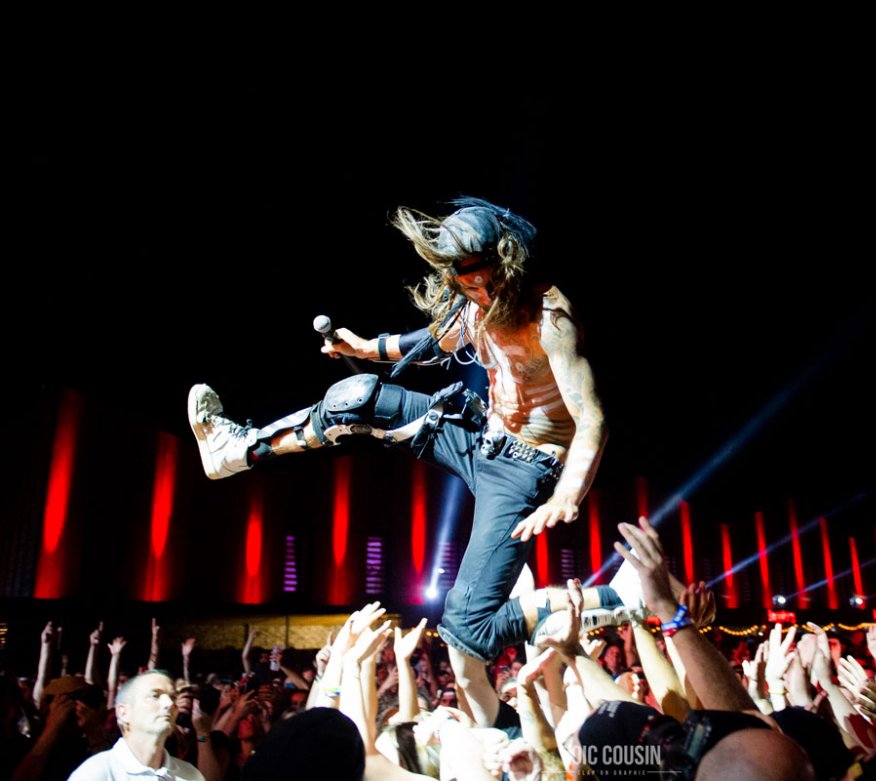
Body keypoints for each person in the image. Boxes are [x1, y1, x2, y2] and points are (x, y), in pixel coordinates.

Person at [188, 197, 617, 668]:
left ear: (506, 261)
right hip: (479, 438)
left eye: (484, 277)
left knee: (466, 627)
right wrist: (364, 348)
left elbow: (592, 418)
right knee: (357, 397)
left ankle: (616, 600)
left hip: (525, 469)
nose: (477, 289)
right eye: (465, 279)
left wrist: (568, 495)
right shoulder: (473, 307)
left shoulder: (550, 316)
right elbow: (433, 342)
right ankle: (236, 450)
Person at [67, 671, 204, 780]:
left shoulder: (191, 775)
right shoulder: (96, 773)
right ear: (123, 712)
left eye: (173, 697)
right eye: (155, 696)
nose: (169, 704)